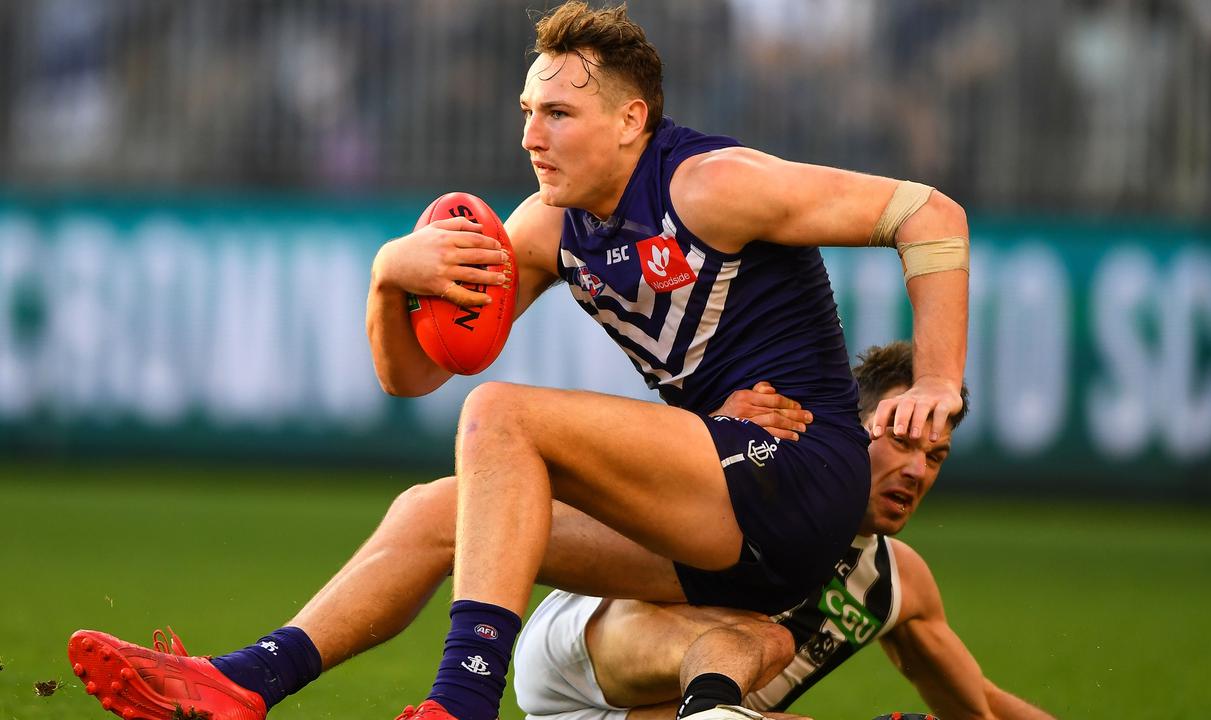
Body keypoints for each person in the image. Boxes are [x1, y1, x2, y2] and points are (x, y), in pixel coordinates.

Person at [66, 4, 969, 720]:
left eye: (559, 114)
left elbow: (930, 215)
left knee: (503, 416)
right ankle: (242, 683)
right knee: (437, 510)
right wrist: (389, 280)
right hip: (718, 520)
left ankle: (461, 702)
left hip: (801, 483)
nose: (532, 135)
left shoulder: (711, 185)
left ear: (631, 120)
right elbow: (412, 378)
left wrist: (935, 382)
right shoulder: (544, 228)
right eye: (527, 112)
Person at [514, 343, 1056, 720]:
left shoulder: (894, 583)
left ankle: (711, 709)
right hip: (587, 649)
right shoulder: (770, 468)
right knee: (756, 641)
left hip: (655, 707)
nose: (918, 470)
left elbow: (977, 706)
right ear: (854, 426)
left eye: (935, 455)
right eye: (903, 439)